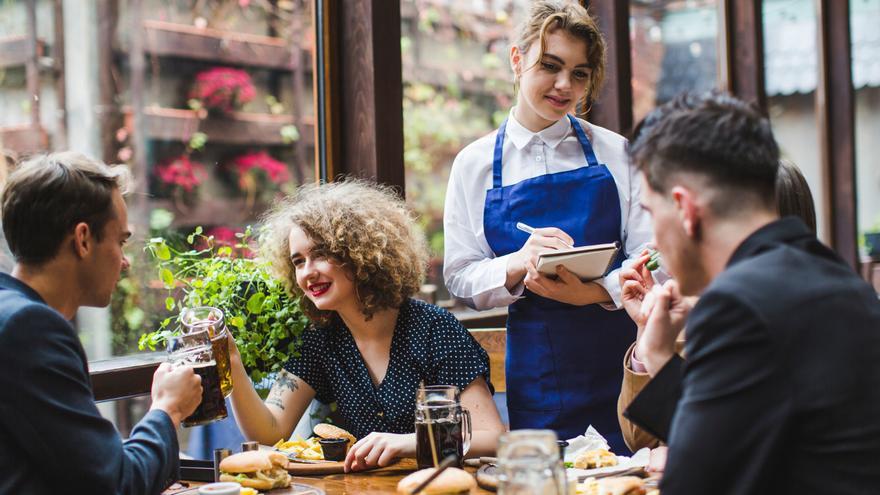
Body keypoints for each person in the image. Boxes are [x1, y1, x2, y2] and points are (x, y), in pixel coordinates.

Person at [622, 92, 880, 494]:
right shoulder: (839, 282)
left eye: (653, 215)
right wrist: (657, 355)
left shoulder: (738, 303)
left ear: (685, 209)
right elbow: (727, 437)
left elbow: (695, 482)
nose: (653, 238)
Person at [443, 0, 653, 451]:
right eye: (550, 66)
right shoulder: (474, 165)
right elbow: (460, 276)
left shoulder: (617, 153)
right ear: (517, 61)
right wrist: (518, 263)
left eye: (579, 74)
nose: (564, 86)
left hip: (622, 362)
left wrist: (594, 291)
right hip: (539, 372)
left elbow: (652, 258)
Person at [228, 180, 505, 472]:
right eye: (298, 261)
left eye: (321, 254)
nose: (308, 272)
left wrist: (408, 442)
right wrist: (231, 359)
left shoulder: (434, 329)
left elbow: (493, 437)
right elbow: (270, 430)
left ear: (360, 253)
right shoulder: (320, 340)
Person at [0, 152, 203, 494]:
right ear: (82, 239)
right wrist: (168, 408)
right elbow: (114, 485)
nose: (125, 262)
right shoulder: (30, 327)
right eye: (121, 241)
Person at [617, 157, 819, 453]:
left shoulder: (804, 317)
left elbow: (724, 444)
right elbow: (640, 439)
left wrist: (659, 354)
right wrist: (648, 332)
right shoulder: (698, 307)